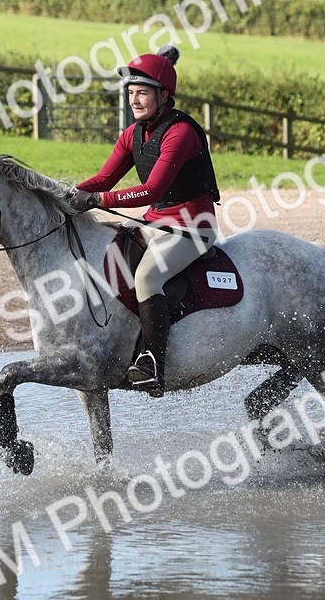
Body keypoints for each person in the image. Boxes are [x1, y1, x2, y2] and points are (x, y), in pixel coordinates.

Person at [67, 44, 220, 398]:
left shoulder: (181, 133)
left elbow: (152, 189)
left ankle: (153, 363)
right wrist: (63, 193)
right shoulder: (132, 133)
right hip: (153, 223)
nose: (135, 100)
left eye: (143, 93)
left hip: (191, 228)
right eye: (132, 93)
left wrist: (99, 201)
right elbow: (103, 180)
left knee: (147, 276)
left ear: (164, 95)